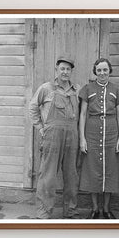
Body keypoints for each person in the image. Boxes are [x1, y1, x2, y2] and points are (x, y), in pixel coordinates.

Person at [28, 56, 80, 219]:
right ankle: (44, 212)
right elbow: (33, 107)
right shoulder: (46, 88)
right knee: (48, 176)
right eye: (62, 69)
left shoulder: (76, 90)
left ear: (71, 71)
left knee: (71, 176)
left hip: (72, 136)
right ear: (56, 70)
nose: (65, 72)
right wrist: (41, 128)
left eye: (68, 69)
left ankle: (70, 211)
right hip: (51, 137)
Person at [78, 58, 119, 219]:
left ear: (109, 71)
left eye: (105, 70)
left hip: (111, 133)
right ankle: (94, 209)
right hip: (91, 133)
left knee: (110, 171)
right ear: (95, 71)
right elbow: (83, 114)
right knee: (92, 170)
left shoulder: (116, 90)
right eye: (99, 70)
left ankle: (106, 209)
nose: (102, 73)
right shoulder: (87, 89)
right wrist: (82, 139)